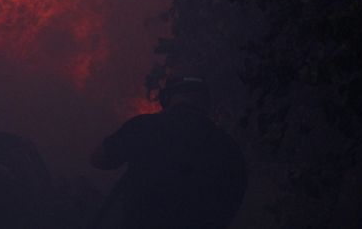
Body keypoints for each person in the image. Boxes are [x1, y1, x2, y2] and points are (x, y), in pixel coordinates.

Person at [89, 76, 247, 229]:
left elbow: (99, 159)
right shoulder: (227, 146)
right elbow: (234, 197)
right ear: (205, 103)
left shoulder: (145, 126)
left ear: (169, 97)